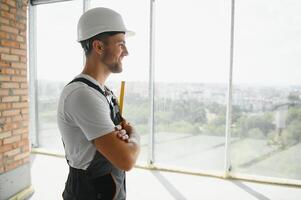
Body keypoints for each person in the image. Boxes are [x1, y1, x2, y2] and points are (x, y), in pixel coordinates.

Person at [57, 7, 140, 200]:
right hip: (89, 193)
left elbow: (122, 135)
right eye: (121, 44)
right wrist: (135, 134)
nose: (126, 52)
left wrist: (124, 136)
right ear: (99, 47)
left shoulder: (104, 92)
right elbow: (126, 159)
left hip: (108, 189)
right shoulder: (82, 95)